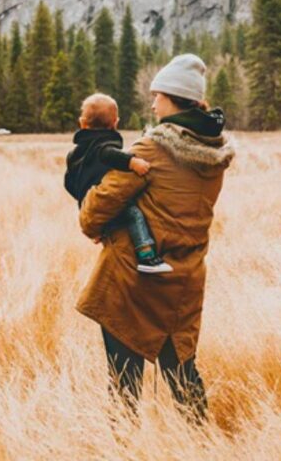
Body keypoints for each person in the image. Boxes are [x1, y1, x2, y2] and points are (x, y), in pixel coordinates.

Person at [75, 53, 235, 425]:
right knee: (183, 376)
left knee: (124, 386)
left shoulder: (151, 150)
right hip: (184, 281)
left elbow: (97, 209)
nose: (152, 104)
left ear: (174, 99)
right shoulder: (213, 153)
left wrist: (96, 223)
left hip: (133, 282)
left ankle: (122, 447)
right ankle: (202, 444)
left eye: (157, 96)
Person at [64, 92, 172, 273]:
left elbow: (68, 183)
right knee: (134, 214)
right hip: (105, 199)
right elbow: (108, 154)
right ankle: (147, 255)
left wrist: (83, 197)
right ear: (115, 123)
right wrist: (132, 162)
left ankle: (101, 231)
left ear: (82, 123)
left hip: (87, 204)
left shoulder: (74, 154)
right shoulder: (103, 144)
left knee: (111, 225)